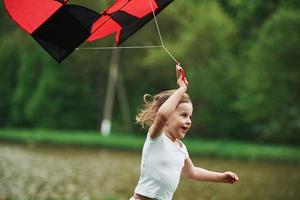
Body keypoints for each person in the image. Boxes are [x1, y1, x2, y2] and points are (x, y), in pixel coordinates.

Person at [130, 64, 239, 200]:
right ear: (169, 116)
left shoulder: (181, 148)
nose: (189, 121)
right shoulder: (156, 137)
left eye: (190, 117)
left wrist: (220, 177)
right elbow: (162, 115)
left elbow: (192, 172)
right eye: (183, 115)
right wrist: (182, 89)